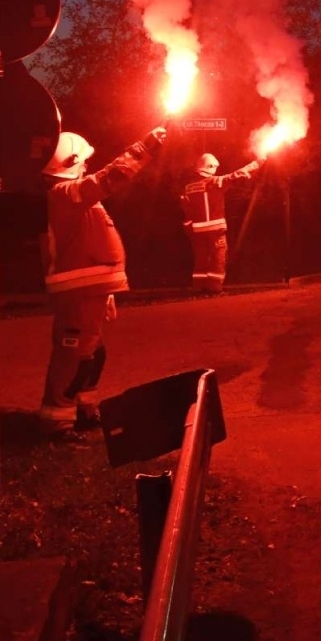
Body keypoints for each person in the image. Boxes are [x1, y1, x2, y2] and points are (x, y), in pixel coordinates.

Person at [39, 125, 167, 441]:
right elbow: (110, 178)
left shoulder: (73, 197)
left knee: (93, 354)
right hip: (79, 294)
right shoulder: (65, 194)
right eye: (82, 162)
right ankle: (58, 424)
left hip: (91, 292)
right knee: (73, 356)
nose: (87, 166)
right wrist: (145, 147)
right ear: (69, 164)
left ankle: (84, 411)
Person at [180, 153, 260, 292]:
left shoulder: (188, 188)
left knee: (201, 259)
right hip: (216, 230)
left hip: (197, 232)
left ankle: (198, 288)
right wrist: (257, 163)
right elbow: (237, 175)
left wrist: (189, 228)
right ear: (210, 167)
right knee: (218, 256)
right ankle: (214, 288)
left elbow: (186, 210)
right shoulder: (216, 182)